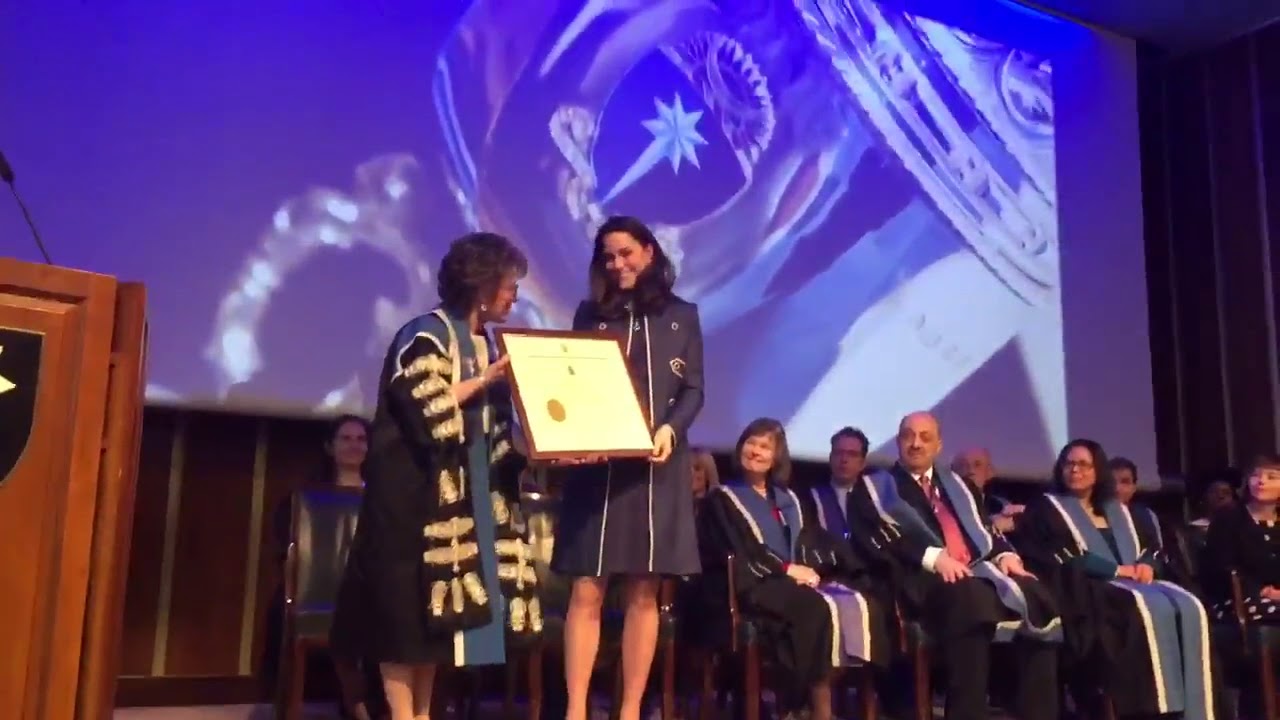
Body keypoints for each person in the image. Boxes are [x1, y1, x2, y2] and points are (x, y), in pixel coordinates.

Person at [330, 232, 542, 720]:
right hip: (410, 503)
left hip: (464, 502)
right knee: (401, 623)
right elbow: (424, 409)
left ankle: (423, 714)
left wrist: (544, 452)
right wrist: (484, 381)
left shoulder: (486, 343)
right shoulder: (424, 333)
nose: (515, 295)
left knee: (434, 628)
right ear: (482, 284)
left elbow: (494, 434)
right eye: (509, 284)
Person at [551, 215, 704, 720]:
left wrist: (671, 429)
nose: (617, 265)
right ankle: (576, 708)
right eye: (608, 257)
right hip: (597, 472)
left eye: (626, 253)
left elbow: (694, 390)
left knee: (644, 593)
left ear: (649, 252)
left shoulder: (683, 315)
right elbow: (573, 384)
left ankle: (631, 709)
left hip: (657, 470)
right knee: (586, 588)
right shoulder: (590, 313)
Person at [846, 411, 1061, 720]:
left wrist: (1004, 555)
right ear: (898, 442)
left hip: (974, 574)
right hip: (916, 580)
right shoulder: (875, 489)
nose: (916, 444)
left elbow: (985, 528)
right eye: (909, 436)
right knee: (970, 598)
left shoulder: (959, 486)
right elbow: (877, 539)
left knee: (1036, 593)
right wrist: (934, 558)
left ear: (939, 445)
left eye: (925, 437)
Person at [701, 418, 890, 720]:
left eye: (765, 446)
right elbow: (739, 549)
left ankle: (819, 699)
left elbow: (812, 539)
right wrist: (788, 569)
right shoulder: (722, 498)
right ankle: (808, 706)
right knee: (815, 609)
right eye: (751, 443)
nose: (756, 451)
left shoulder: (789, 499)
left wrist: (828, 567)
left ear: (777, 456)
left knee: (861, 604)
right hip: (750, 584)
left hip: (789, 583)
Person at [1017, 439, 1214, 720]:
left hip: (1134, 585)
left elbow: (1153, 548)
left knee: (1189, 606)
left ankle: (1189, 708)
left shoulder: (1122, 511)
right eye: (1068, 464)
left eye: (1083, 464)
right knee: (1132, 611)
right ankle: (1142, 709)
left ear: (1098, 471)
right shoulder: (1046, 509)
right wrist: (1116, 571)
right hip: (1083, 591)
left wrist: (1147, 565)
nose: (1075, 470)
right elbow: (1056, 556)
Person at [264, 414, 385, 720]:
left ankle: (372, 707)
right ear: (330, 447)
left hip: (371, 592)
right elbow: (289, 548)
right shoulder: (304, 499)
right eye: (345, 439)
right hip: (318, 594)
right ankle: (359, 709)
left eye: (361, 439)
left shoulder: (383, 499)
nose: (354, 446)